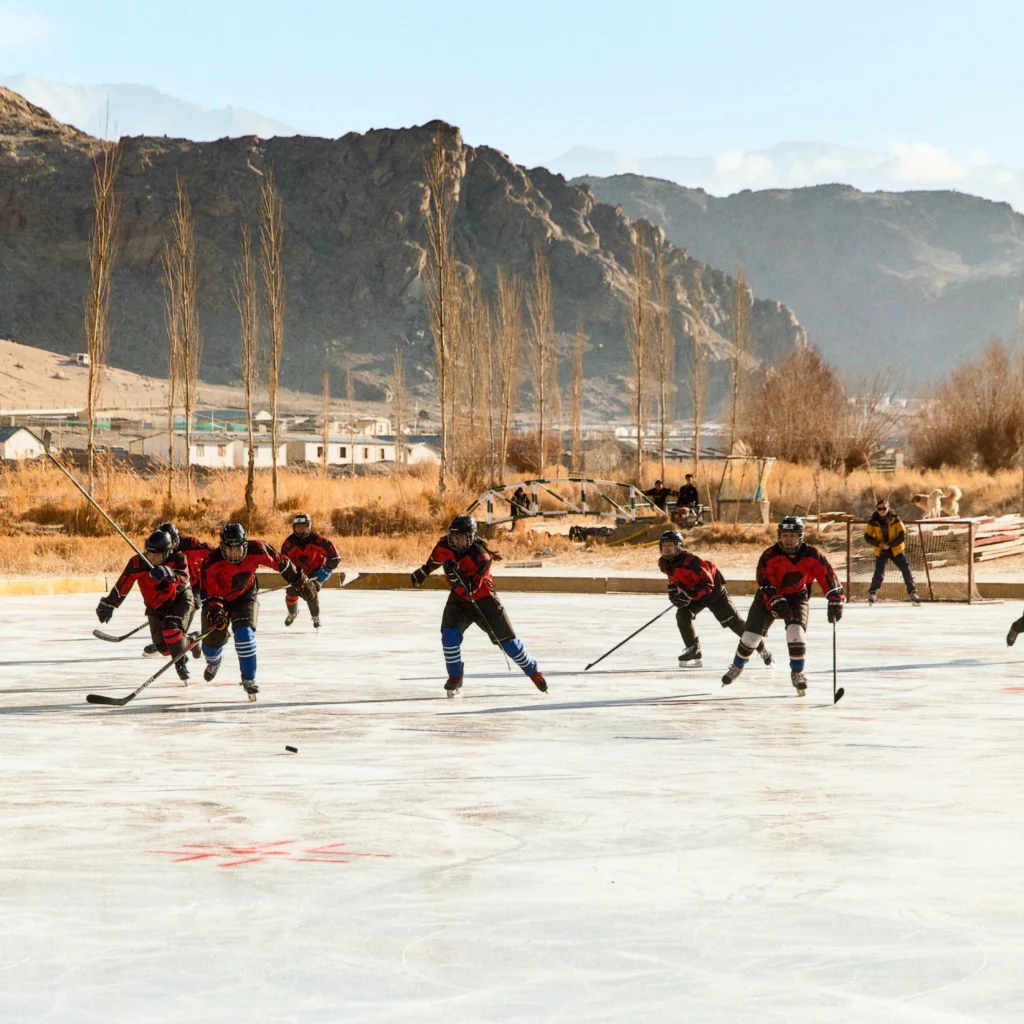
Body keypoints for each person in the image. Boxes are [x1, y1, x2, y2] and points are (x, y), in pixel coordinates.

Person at [411, 514, 547, 696]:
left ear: (471, 537)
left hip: (484, 602)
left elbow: (472, 589)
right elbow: (434, 560)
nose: (455, 541)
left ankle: (533, 671)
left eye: (460, 537)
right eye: (453, 537)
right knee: (449, 636)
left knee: (510, 645)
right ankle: (455, 676)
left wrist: (453, 576)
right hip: (459, 601)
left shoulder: (481, 557)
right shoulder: (445, 545)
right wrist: (423, 572)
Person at [721, 516, 844, 696]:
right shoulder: (770, 555)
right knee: (750, 638)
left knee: (795, 633)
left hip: (797, 597)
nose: (788, 539)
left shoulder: (812, 555)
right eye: (784, 535)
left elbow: (828, 577)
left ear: (800, 536)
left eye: (792, 535)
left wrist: (835, 599)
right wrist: (776, 601)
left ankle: (797, 673)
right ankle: (737, 666)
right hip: (767, 599)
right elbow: (765, 582)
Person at [200, 523, 313, 701]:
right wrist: (216, 611)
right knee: (212, 646)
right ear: (222, 548)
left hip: (245, 596)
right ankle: (214, 661)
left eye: (238, 549)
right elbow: (210, 593)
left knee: (244, 634)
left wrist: (299, 579)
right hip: (218, 602)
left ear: (245, 545)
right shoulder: (210, 562)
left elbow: (281, 562)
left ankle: (248, 679)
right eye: (230, 550)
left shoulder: (258, 549)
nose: (235, 554)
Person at [658, 529, 772, 668]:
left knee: (735, 624)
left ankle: (763, 649)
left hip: (715, 594)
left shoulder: (692, 562)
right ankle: (693, 649)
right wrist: (673, 593)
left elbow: (708, 584)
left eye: (670, 545)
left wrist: (689, 595)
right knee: (682, 614)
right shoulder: (663, 563)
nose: (667, 549)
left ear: (678, 546)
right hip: (694, 593)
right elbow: (674, 579)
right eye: (664, 546)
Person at [96, 530, 196, 683]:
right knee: (163, 648)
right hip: (155, 606)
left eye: (158, 555)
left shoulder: (178, 559)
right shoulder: (137, 563)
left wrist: (169, 573)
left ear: (168, 552)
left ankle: (181, 666)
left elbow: (184, 577)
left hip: (179, 600)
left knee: (171, 631)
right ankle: (191, 640)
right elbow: (124, 583)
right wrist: (109, 603)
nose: (153, 558)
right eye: (150, 554)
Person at [140, 521, 214, 656]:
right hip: (171, 589)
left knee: (178, 624)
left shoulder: (190, 545)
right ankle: (164, 644)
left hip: (192, 589)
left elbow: (214, 553)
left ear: (176, 540)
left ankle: (186, 641)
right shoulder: (159, 551)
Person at [281, 513, 341, 628]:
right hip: (297, 574)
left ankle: (315, 617)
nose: (300, 529)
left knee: (310, 591)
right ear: (294, 527)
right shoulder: (288, 544)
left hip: (316, 574)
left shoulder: (318, 541)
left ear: (309, 526)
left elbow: (335, 557)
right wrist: (291, 576)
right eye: (298, 527)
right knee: (291, 591)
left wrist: (326, 570)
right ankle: (293, 613)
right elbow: (283, 563)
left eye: (303, 526)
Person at [864, 498, 921, 605]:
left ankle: (913, 592)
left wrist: (890, 544)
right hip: (881, 550)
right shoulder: (873, 521)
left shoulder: (895, 519)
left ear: (888, 508)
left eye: (884, 508)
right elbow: (867, 536)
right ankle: (872, 593)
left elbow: (902, 535)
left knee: (906, 569)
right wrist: (878, 544)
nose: (882, 511)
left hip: (896, 549)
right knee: (879, 573)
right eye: (879, 509)